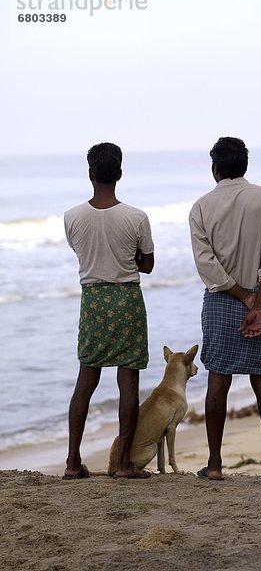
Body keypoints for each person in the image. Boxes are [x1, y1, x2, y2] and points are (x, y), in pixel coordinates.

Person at [189, 137, 261, 480]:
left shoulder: (201, 207)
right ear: (245, 165)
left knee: (218, 380)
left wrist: (243, 298)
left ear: (215, 169)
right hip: (260, 298)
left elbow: (206, 264)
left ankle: (213, 466)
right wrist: (257, 301)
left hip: (222, 300)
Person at [63, 142, 154, 479]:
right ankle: (122, 464)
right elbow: (147, 265)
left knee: (86, 379)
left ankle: (73, 462)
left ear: (90, 174)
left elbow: (82, 253)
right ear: (119, 174)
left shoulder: (72, 217)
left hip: (94, 300)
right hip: (127, 299)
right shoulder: (136, 217)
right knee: (127, 379)